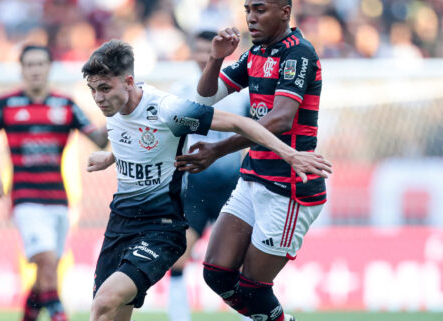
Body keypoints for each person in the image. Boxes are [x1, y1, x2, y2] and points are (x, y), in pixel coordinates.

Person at [82, 39, 331, 321]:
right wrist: (110, 157)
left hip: (159, 227)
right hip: (119, 224)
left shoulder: (168, 110)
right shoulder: (114, 110)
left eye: (104, 89)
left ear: (128, 81)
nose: (98, 98)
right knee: (111, 314)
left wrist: (290, 154)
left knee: (103, 302)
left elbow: (241, 123)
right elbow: (136, 135)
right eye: (92, 90)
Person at [175, 1, 326, 321]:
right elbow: (206, 96)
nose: (251, 18)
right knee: (216, 273)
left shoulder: (298, 53)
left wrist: (218, 149)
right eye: (248, 10)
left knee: (253, 288)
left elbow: (281, 119)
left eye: (260, 9)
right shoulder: (255, 53)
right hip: (253, 176)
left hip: (289, 186)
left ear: (285, 12)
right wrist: (216, 58)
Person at [0, 45, 108, 321]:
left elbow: (97, 139)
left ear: (49, 68)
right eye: (30, 65)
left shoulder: (65, 105)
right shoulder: (7, 104)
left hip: (59, 199)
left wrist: (118, 111)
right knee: (47, 264)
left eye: (40, 64)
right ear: (22, 69)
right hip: (25, 198)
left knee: (45, 274)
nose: (35, 70)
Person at [166, 31, 250, 321]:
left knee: (240, 261)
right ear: (191, 53)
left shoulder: (238, 92)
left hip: (233, 186)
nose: (204, 56)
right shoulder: (181, 91)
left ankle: (250, 315)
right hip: (195, 187)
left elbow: (256, 133)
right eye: (199, 50)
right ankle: (179, 317)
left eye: (208, 51)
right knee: (179, 257)